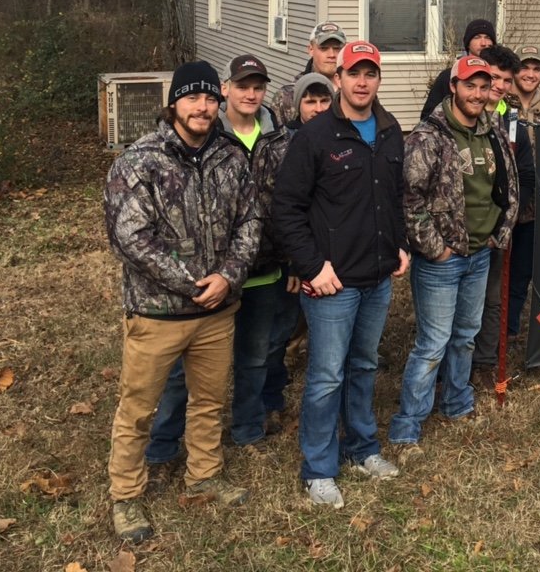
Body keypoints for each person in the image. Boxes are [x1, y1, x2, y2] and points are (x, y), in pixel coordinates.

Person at [103, 61, 260, 543]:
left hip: (216, 311)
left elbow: (250, 224)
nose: (203, 107)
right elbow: (129, 236)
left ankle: (204, 475)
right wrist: (194, 282)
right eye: (193, 98)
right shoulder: (140, 161)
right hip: (158, 313)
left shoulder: (230, 158)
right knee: (139, 408)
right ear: (175, 103)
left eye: (211, 98)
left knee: (209, 401)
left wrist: (228, 277)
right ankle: (126, 496)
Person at [273, 42, 411, 508]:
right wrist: (312, 266)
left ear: (378, 79)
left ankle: (362, 447)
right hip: (332, 282)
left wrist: (401, 244)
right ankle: (318, 468)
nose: (362, 81)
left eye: (370, 73)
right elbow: (286, 209)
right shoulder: (315, 138)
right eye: (354, 73)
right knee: (327, 375)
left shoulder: (391, 132)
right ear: (338, 78)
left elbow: (396, 197)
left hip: (376, 275)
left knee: (364, 365)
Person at [145, 54, 294, 467]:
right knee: (182, 373)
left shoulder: (280, 138)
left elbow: (286, 207)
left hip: (262, 271)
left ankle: (247, 427)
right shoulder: (209, 137)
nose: (250, 93)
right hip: (204, 278)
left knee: (255, 356)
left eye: (258, 86)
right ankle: (163, 444)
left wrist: (293, 262)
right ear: (225, 90)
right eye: (242, 85)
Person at [390, 55, 519, 457]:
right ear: (453, 87)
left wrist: (502, 231)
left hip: (481, 253)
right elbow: (409, 199)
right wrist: (436, 248)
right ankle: (407, 425)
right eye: (470, 86)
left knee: (465, 336)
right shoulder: (428, 136)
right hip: (442, 261)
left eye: (484, 86)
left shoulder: (493, 128)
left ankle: (457, 402)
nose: (478, 94)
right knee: (433, 342)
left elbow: (509, 183)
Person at [471, 45, 536, 386]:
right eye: (493, 77)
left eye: (505, 81)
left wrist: (507, 217)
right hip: (464, 226)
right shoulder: (458, 113)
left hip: (499, 226)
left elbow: (525, 175)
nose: (498, 86)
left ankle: (484, 360)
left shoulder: (513, 124)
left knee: (493, 297)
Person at [507, 45, 540, 335]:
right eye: (524, 67)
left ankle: (510, 329)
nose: (530, 74)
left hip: (533, 209)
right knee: (494, 276)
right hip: (503, 207)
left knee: (521, 273)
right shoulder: (501, 106)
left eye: (536, 68)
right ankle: (489, 332)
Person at [420, 19, 497, 120]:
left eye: (488, 37)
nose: (484, 43)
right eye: (477, 37)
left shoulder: (502, 77)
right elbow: (428, 116)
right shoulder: (449, 76)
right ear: (468, 44)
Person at [273, 21, 346, 124]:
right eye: (324, 48)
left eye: (337, 48)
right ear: (311, 49)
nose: (332, 54)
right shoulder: (287, 96)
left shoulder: (353, 92)